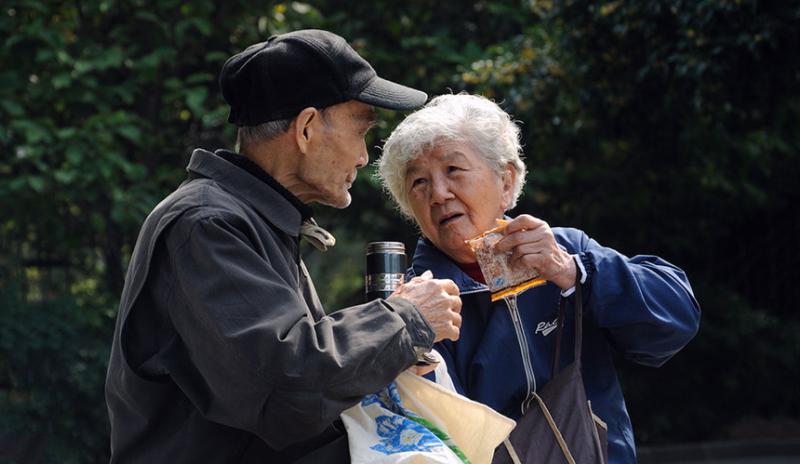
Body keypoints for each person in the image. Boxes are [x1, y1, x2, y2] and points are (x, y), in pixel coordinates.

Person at [104, 29, 463, 463]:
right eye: (361, 131)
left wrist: (388, 358)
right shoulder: (206, 224)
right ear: (308, 128)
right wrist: (406, 319)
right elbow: (286, 385)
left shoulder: (254, 220)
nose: (364, 157)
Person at [377, 93, 701, 463]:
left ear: (505, 181)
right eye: (419, 183)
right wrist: (411, 348)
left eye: (453, 170)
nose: (438, 193)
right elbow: (418, 433)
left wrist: (573, 273)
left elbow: (676, 322)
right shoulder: (416, 298)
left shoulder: (566, 251)